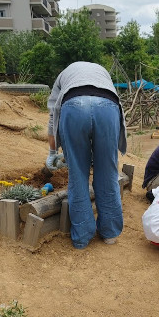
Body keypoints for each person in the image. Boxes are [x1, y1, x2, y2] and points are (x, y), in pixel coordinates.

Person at [46, 61, 127, 249]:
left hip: (73, 106)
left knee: (78, 175)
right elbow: (111, 98)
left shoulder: (63, 75)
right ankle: (110, 233)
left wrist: (52, 152)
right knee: (107, 173)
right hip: (108, 107)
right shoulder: (103, 72)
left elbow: (53, 117)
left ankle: (82, 237)